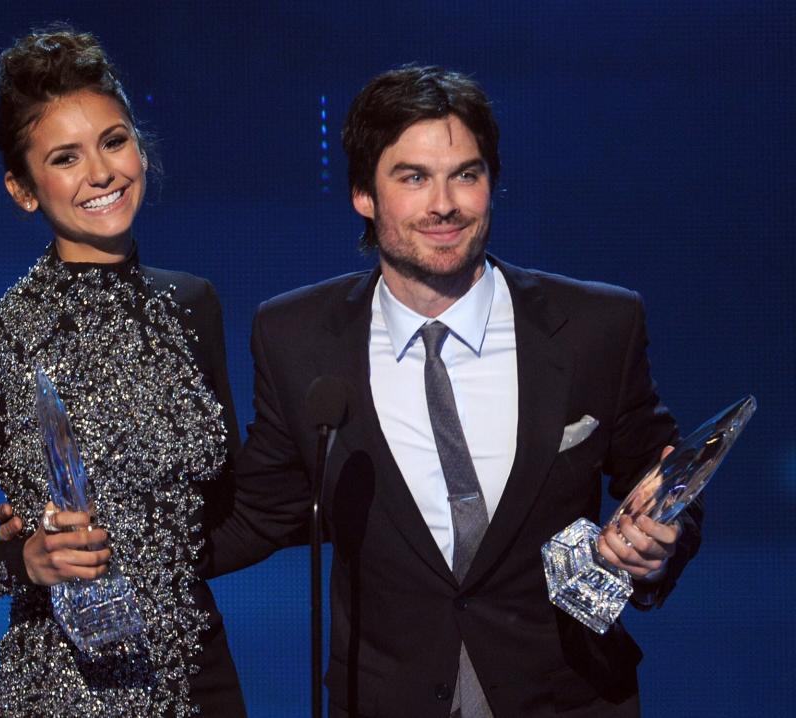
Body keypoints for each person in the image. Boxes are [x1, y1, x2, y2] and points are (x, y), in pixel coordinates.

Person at [201, 66, 703, 716]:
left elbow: (664, 479)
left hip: (566, 695)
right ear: (363, 192)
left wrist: (660, 544)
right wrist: (113, 553)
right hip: (386, 697)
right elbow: (261, 510)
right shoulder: (296, 335)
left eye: (466, 174)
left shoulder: (596, 326)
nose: (444, 204)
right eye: (413, 178)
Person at [0, 28, 245, 717]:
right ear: (24, 189)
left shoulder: (192, 306)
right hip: (68, 688)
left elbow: (223, 505)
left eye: (114, 141)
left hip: (201, 676)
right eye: (65, 157)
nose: (102, 172)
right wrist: (25, 560)